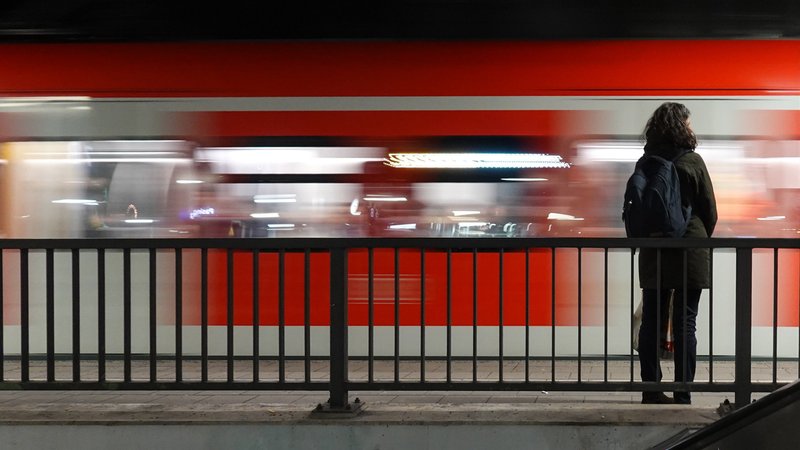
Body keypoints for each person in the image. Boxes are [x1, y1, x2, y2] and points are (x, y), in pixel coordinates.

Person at [637, 102, 717, 405]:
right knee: (686, 322)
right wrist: (696, 235)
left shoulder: (646, 162)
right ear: (681, 126)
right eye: (688, 123)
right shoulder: (693, 161)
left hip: (654, 250)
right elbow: (710, 210)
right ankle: (683, 392)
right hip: (689, 251)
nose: (691, 127)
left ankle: (650, 391)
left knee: (651, 322)